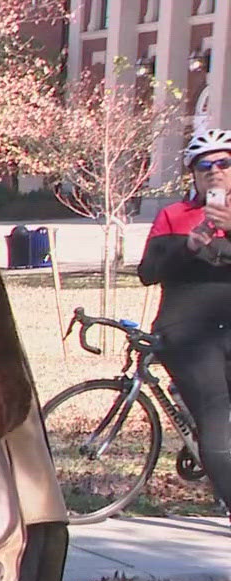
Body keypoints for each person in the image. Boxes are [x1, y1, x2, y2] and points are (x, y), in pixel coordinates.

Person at [139, 128, 231, 516]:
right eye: (204, 165)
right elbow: (148, 271)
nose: (215, 172)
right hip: (188, 333)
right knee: (215, 412)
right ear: (193, 175)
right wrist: (189, 245)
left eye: (224, 163)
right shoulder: (174, 216)